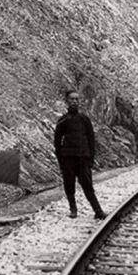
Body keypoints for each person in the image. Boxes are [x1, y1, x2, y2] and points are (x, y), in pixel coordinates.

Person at [54, 90, 107, 220]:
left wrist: (91, 159)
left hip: (83, 158)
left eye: (77, 99)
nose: (74, 101)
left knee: (88, 186)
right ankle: (73, 209)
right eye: (72, 99)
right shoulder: (62, 121)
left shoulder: (84, 119)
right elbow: (57, 143)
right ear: (67, 101)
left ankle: (98, 211)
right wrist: (61, 161)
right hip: (68, 158)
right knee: (69, 185)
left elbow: (91, 140)